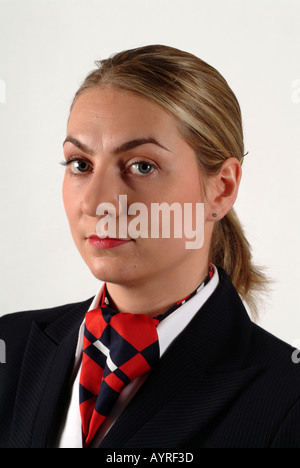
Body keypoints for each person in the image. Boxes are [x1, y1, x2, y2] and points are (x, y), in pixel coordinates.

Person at [0, 44, 300, 449]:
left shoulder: (287, 396)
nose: (95, 202)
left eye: (142, 166)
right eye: (80, 164)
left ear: (221, 189)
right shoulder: (10, 345)